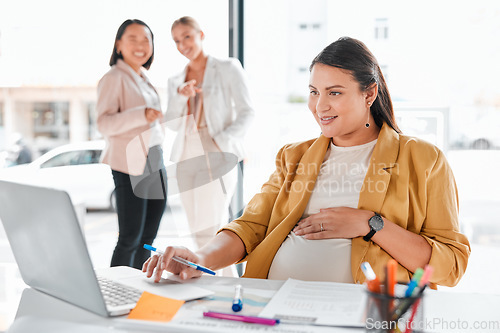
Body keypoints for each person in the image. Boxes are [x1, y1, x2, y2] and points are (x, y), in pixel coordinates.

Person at [143, 37, 470, 288]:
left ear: (369, 94)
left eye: (335, 92)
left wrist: (370, 225)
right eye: (314, 91)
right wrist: (199, 259)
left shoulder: (422, 158)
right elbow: (251, 225)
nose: (320, 105)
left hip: (361, 313)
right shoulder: (294, 156)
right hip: (274, 302)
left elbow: (451, 265)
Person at [165, 16, 254, 249]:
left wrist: (220, 140)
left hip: (217, 150)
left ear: (200, 35)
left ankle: (223, 284)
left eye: (187, 37)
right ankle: (216, 284)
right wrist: (181, 97)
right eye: (176, 41)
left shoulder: (227, 68)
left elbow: (247, 112)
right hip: (186, 154)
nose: (183, 45)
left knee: (212, 230)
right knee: (197, 231)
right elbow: (172, 124)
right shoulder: (175, 80)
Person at [97, 19, 167, 269]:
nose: (140, 45)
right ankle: (117, 291)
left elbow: (153, 122)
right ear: (118, 44)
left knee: (148, 238)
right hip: (129, 162)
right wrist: (141, 115)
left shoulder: (143, 78)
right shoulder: (114, 77)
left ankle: (140, 288)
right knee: (130, 238)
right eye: (133, 39)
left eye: (146, 39)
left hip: (155, 159)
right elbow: (104, 123)